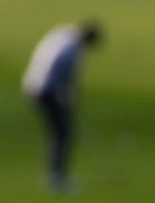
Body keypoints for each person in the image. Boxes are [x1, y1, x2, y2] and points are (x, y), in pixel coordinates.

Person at [22, 23, 103, 195]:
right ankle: (56, 178)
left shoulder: (64, 34)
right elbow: (67, 81)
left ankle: (56, 176)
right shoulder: (72, 51)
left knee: (60, 131)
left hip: (34, 84)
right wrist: (70, 102)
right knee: (62, 132)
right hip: (44, 90)